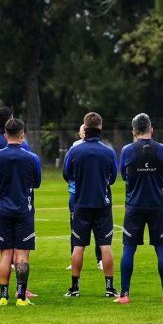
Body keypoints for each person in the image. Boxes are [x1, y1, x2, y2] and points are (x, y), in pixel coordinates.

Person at [114, 113, 163, 304]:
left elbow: (124, 176)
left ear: (133, 131)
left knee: (129, 249)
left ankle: (124, 294)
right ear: (151, 129)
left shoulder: (127, 150)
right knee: (162, 249)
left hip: (134, 206)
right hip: (157, 206)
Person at [63, 112, 118, 298]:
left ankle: (74, 287)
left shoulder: (74, 151)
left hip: (81, 203)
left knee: (78, 245)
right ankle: (110, 288)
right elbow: (113, 178)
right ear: (100, 128)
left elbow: (66, 174)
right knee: (105, 245)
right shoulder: (109, 151)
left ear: (85, 129)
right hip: (102, 203)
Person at [0, 107, 34, 295]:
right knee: (20, 250)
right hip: (18, 201)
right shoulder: (25, 148)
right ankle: (22, 290)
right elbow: (33, 179)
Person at [0, 118, 42, 307]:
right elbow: (36, 182)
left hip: (2, 210)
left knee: (5, 254)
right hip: (24, 211)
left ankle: (3, 296)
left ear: (5, 135)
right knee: (22, 256)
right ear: (22, 135)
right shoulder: (31, 157)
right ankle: (21, 297)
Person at [66, 124, 103, 271]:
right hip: (76, 194)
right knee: (74, 228)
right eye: (81, 130)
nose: (84, 132)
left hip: (92, 193)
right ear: (80, 133)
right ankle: (73, 259)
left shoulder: (98, 148)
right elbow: (67, 171)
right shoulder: (74, 148)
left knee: (98, 230)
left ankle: (100, 259)